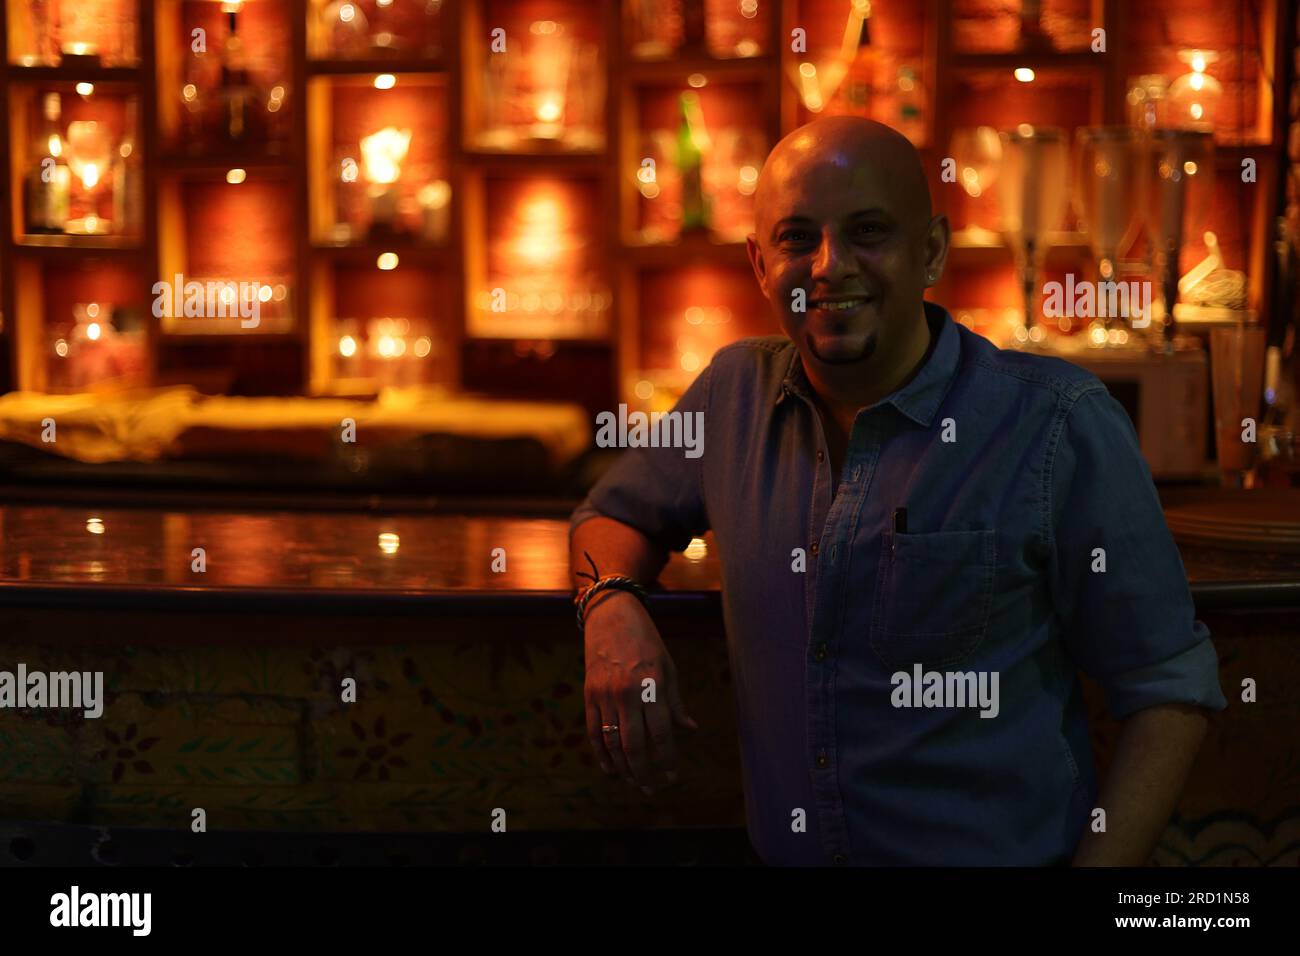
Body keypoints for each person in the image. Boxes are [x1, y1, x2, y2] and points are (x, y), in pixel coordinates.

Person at [569, 116, 1227, 865]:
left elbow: (1169, 690)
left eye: (868, 232)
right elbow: (612, 511)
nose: (829, 266)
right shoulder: (732, 395)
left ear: (933, 251)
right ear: (758, 263)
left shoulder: (1056, 424)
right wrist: (611, 608)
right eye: (796, 238)